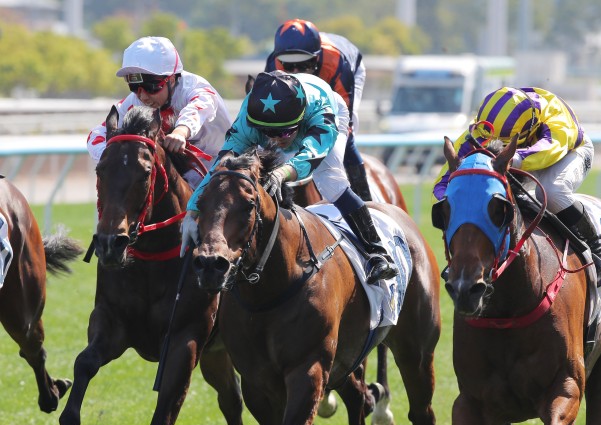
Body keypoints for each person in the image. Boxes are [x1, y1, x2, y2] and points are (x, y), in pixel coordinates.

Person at [181, 70, 398, 284]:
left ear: (300, 121)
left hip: (331, 109)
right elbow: (220, 169)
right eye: (268, 134)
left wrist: (281, 173)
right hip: (277, 114)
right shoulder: (249, 120)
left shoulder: (320, 113)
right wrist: (192, 210)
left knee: (331, 182)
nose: (276, 140)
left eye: (284, 133)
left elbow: (311, 156)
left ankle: (377, 252)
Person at [433, 86, 601, 286]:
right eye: (489, 142)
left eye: (501, 144)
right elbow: (443, 180)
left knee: (551, 190)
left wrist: (513, 158)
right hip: (518, 154)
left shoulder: (556, 122)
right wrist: (454, 200)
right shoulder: (485, 126)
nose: (491, 145)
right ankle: (465, 259)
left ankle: (598, 250)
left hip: (567, 151)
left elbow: (549, 151)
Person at [87, 36, 232, 189]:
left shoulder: (195, 87)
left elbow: (199, 107)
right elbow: (97, 134)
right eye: (135, 87)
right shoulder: (134, 102)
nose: (142, 96)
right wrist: (111, 155)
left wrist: (181, 132)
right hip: (182, 172)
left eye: (150, 87)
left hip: (223, 165)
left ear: (171, 80)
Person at [264, 19, 371, 201]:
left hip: (347, 72)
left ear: (316, 58)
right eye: (289, 66)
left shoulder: (336, 62)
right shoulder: (273, 65)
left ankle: (364, 198)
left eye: (304, 65)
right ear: (279, 59)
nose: (297, 72)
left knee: (344, 134)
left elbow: (344, 117)